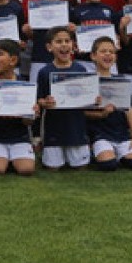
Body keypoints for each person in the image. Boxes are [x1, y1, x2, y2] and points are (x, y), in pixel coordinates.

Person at [0, 38, 37, 176]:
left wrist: (32, 114)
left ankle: (13, 158)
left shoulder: (24, 85)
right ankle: (3, 158)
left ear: (13, 60)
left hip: (19, 138)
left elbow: (28, 122)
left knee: (26, 170)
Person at [36, 27, 92, 170]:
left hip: (76, 128)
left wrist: (93, 99)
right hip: (54, 127)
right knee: (53, 168)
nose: (64, 45)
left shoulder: (81, 69)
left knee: (80, 167)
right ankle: (46, 149)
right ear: (49, 47)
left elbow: (87, 98)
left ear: (73, 45)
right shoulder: (44, 72)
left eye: (67, 41)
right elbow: (39, 99)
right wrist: (45, 102)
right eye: (59, 41)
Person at [88, 37, 132, 171]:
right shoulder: (88, 81)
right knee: (108, 165)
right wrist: (102, 114)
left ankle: (119, 153)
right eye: (103, 51)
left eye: (111, 52)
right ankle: (97, 152)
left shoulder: (121, 80)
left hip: (121, 134)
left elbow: (128, 109)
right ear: (93, 56)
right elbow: (82, 112)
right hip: (100, 134)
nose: (108, 54)